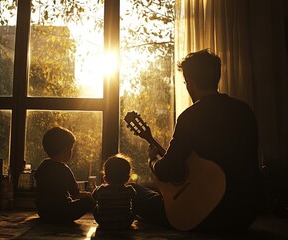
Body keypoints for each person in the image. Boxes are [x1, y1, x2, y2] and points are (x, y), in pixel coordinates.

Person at [132, 49, 263, 232]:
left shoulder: (190, 117)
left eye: (186, 82)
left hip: (207, 217)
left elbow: (167, 170)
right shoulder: (244, 110)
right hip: (246, 213)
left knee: (133, 191)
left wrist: (152, 160)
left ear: (190, 83)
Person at [34, 126, 95, 223]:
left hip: (44, 212)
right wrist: (89, 195)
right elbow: (76, 194)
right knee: (89, 201)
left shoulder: (43, 165)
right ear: (65, 149)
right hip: (62, 212)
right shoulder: (64, 170)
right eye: (71, 149)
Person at [92, 154, 137, 230]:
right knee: (133, 208)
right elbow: (135, 198)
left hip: (103, 222)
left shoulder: (101, 189)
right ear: (127, 178)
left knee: (96, 208)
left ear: (105, 178)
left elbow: (93, 198)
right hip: (125, 223)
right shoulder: (129, 190)